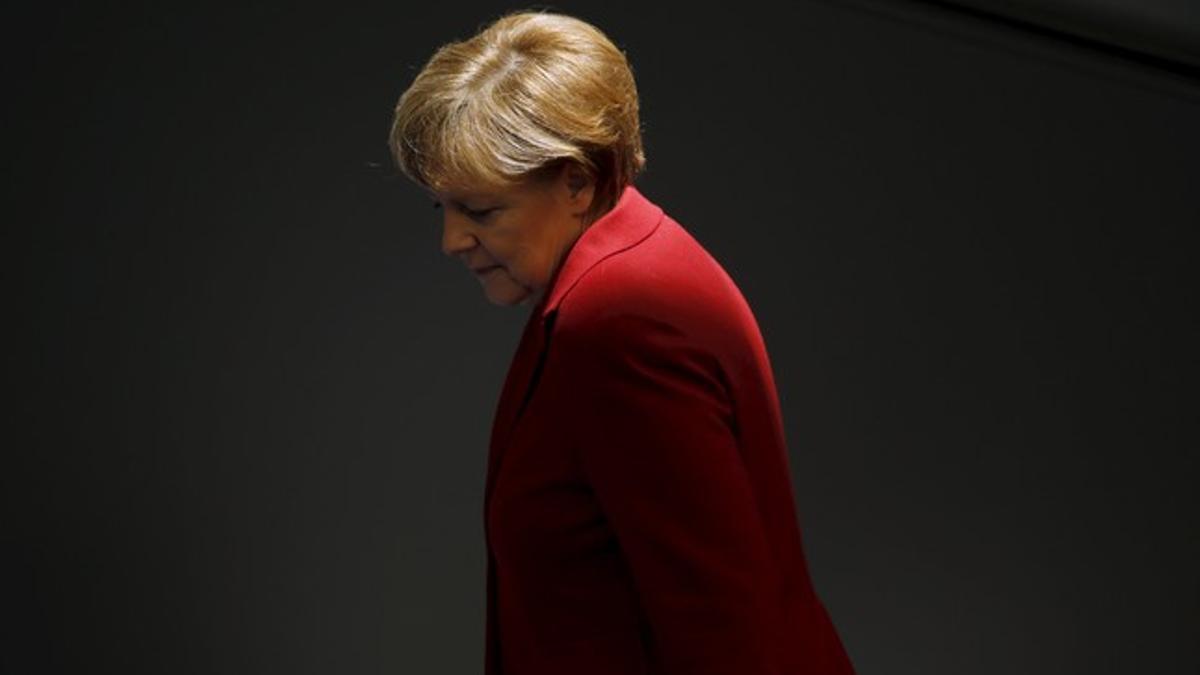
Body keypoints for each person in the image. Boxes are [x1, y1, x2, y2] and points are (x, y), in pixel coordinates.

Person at [388, 10, 855, 675]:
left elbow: (721, 628)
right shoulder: (631, 270)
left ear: (576, 180)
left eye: (482, 211)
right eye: (445, 209)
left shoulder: (621, 321)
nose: (452, 240)